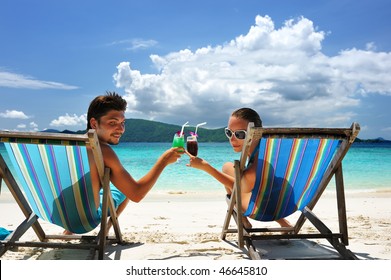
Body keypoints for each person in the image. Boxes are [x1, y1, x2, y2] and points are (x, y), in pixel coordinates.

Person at [65, 91, 183, 234]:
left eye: (122, 123)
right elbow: (136, 194)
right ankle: (106, 230)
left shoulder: (66, 148)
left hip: (55, 214)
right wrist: (163, 161)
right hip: (85, 220)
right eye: (113, 123)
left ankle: (67, 232)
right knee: (124, 188)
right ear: (94, 123)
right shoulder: (103, 151)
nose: (120, 129)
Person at [185, 108, 291, 228]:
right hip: (281, 204)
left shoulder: (259, 159)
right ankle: (283, 222)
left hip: (264, 210)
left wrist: (206, 167)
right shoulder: (265, 149)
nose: (232, 139)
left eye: (240, 134)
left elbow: (240, 188)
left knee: (232, 180)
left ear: (256, 133)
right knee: (228, 167)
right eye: (229, 132)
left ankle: (243, 219)